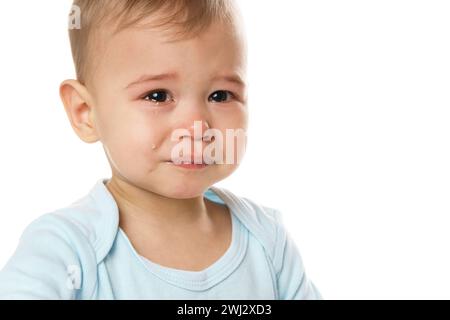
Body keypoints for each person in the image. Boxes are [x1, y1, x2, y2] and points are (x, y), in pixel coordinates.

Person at [0, 0, 322, 299]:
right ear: (85, 112)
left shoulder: (268, 244)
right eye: (157, 96)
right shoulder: (65, 252)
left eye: (221, 95)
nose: (197, 126)